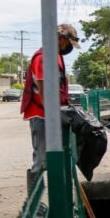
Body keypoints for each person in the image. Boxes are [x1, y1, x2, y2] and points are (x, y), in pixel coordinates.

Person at [20, 24, 80, 192]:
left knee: (60, 156)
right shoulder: (43, 57)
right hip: (41, 114)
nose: (68, 48)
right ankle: (35, 202)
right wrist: (54, 115)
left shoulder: (57, 56)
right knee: (42, 159)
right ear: (60, 39)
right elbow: (43, 90)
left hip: (54, 113)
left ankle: (62, 197)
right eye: (68, 43)